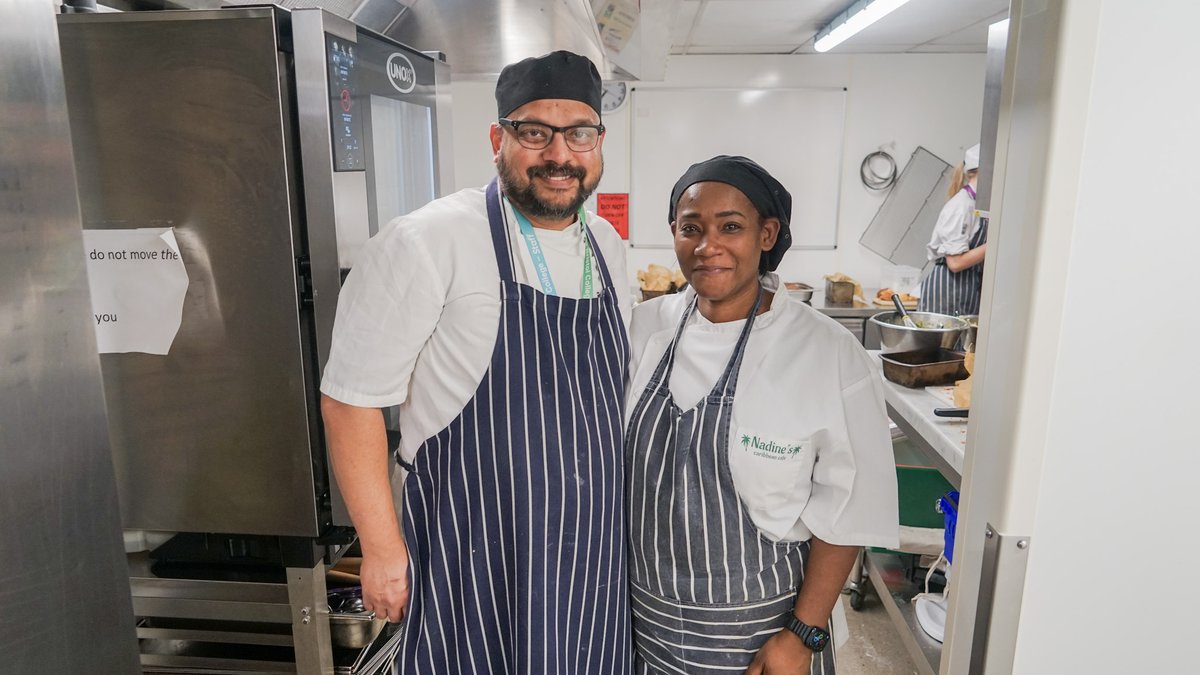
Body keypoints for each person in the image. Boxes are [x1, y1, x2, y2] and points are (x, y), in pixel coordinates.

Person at [320, 51, 631, 674]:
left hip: (592, 550)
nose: (559, 155)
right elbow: (350, 400)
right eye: (535, 132)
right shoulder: (428, 241)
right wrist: (381, 550)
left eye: (579, 134)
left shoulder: (608, 246)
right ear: (499, 138)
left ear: (598, 142)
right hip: (473, 547)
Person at [625, 156, 899, 675]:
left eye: (731, 226)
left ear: (767, 234)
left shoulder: (827, 352)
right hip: (647, 623)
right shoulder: (645, 328)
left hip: (764, 637)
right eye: (691, 228)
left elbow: (851, 507)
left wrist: (802, 634)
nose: (708, 246)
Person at [918, 143, 987, 315]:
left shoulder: (977, 205)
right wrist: (997, 243)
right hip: (947, 291)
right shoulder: (960, 206)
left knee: (962, 343)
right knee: (943, 343)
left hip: (966, 289)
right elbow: (955, 263)